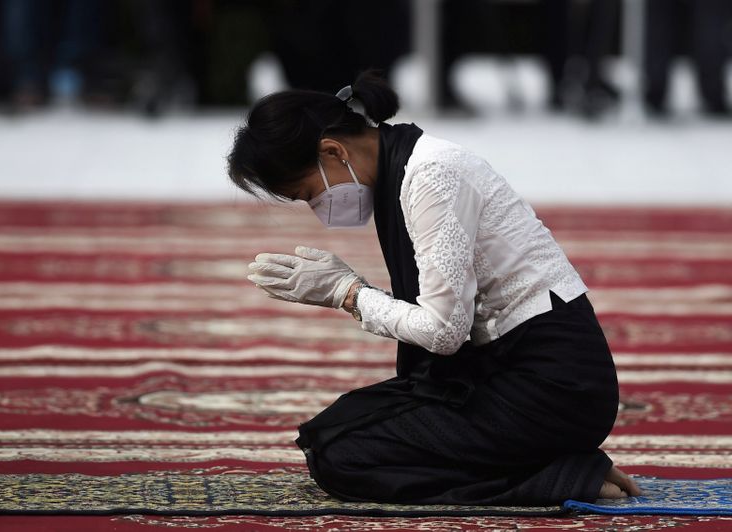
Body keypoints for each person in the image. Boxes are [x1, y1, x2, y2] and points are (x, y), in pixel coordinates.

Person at [226, 71, 642, 505]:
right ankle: (545, 456)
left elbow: (444, 332)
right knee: (340, 428)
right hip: (507, 369)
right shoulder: (404, 167)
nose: (315, 208)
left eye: (305, 192)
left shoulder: (430, 175)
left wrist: (349, 294)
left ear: (333, 150)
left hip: (555, 387)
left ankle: (558, 477)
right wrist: (352, 292)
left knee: (343, 456)